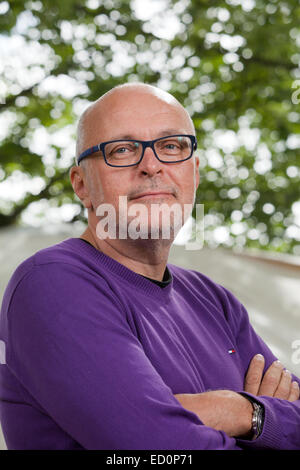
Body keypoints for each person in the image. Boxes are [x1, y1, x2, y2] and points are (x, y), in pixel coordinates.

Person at [0, 83, 299, 450]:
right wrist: (254, 417)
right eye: (122, 150)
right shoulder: (50, 283)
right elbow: (158, 447)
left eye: (172, 146)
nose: (151, 165)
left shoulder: (215, 301)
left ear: (195, 172)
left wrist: (235, 410)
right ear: (82, 185)